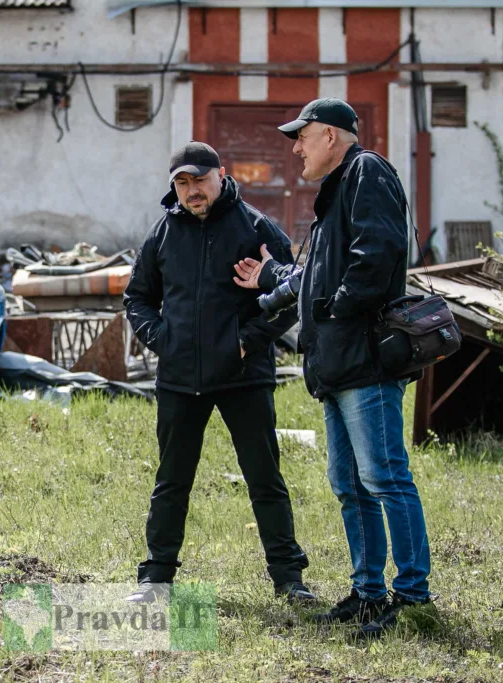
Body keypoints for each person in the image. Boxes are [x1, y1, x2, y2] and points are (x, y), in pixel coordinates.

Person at [233, 98, 433, 640]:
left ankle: (413, 596)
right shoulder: (333, 197)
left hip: (365, 360)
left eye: (302, 137)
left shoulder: (367, 171)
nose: (295, 148)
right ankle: (368, 594)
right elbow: (310, 278)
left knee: (385, 477)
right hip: (336, 365)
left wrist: (339, 307)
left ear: (329, 136)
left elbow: (378, 253)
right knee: (349, 483)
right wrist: (271, 282)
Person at [123, 141, 314, 604]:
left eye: (199, 180)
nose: (192, 191)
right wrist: (162, 339)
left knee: (264, 478)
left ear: (221, 175)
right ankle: (156, 578)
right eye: (182, 183)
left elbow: (290, 295)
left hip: (243, 375)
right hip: (179, 378)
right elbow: (137, 297)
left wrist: (247, 339)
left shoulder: (255, 226)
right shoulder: (163, 233)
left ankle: (289, 580)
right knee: (172, 480)